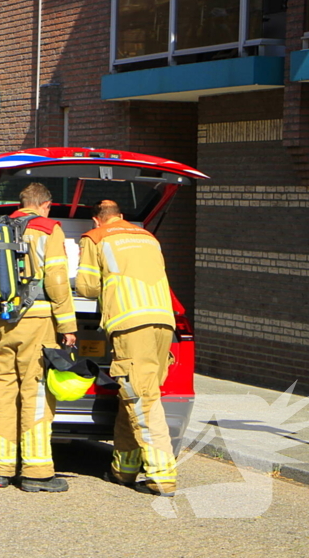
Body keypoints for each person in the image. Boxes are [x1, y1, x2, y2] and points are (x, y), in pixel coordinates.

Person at [0, 182, 77, 492]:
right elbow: (58, 279)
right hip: (38, 320)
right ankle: (36, 472)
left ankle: (0, 469)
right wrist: (67, 325)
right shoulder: (49, 229)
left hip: (3, 322)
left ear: (22, 203)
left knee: (4, 392)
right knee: (35, 394)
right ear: (45, 205)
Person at [76, 199, 178, 497]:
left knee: (141, 398)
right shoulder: (148, 237)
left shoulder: (95, 238)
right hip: (164, 321)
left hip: (130, 323)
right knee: (133, 392)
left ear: (97, 220)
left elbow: (86, 287)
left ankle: (162, 473)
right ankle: (124, 468)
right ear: (121, 217)